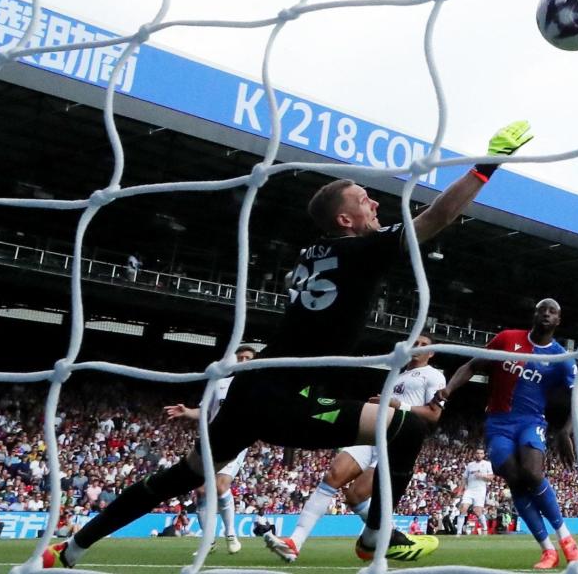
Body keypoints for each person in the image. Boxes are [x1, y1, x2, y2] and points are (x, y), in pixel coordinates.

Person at [42, 121, 534, 568]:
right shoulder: (362, 249)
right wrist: (486, 166)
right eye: (365, 200)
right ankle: (376, 538)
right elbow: (438, 217)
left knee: (185, 473)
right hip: (285, 396)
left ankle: (75, 547)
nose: (376, 205)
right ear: (345, 220)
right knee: (406, 429)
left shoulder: (317, 250)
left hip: (255, 389)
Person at [268, 333, 445, 562]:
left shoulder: (434, 376)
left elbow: (434, 414)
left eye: (423, 345)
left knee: (355, 496)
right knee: (333, 475)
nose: (417, 348)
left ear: (431, 353)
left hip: (396, 440)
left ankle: (386, 535)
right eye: (415, 343)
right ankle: (295, 542)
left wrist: (397, 405)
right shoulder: (399, 375)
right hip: (375, 433)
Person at [439, 298, 578, 570]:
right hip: (498, 423)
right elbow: (472, 365)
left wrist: (566, 430)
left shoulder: (560, 358)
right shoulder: (507, 339)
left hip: (531, 421)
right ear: (534, 315)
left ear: (558, 321)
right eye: (542, 309)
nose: (546, 314)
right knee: (515, 480)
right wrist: (449, 390)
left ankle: (566, 539)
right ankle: (547, 551)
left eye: (552, 311)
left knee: (532, 472)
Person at [163, 345, 256, 555]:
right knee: (202, 490)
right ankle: (208, 542)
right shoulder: (219, 384)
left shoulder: (256, 388)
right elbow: (204, 412)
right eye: (239, 358)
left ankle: (231, 534)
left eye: (247, 358)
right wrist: (187, 411)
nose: (242, 362)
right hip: (213, 441)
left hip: (237, 442)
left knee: (221, 486)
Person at [455, 448, 493, 536]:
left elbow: (491, 477)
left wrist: (482, 475)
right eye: (478, 453)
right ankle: (459, 533)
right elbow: (464, 478)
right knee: (463, 508)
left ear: (483, 455)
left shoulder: (487, 464)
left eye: (481, 453)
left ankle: (484, 527)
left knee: (477, 511)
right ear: (475, 454)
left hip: (480, 491)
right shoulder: (470, 465)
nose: (479, 455)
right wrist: (460, 491)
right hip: (469, 490)